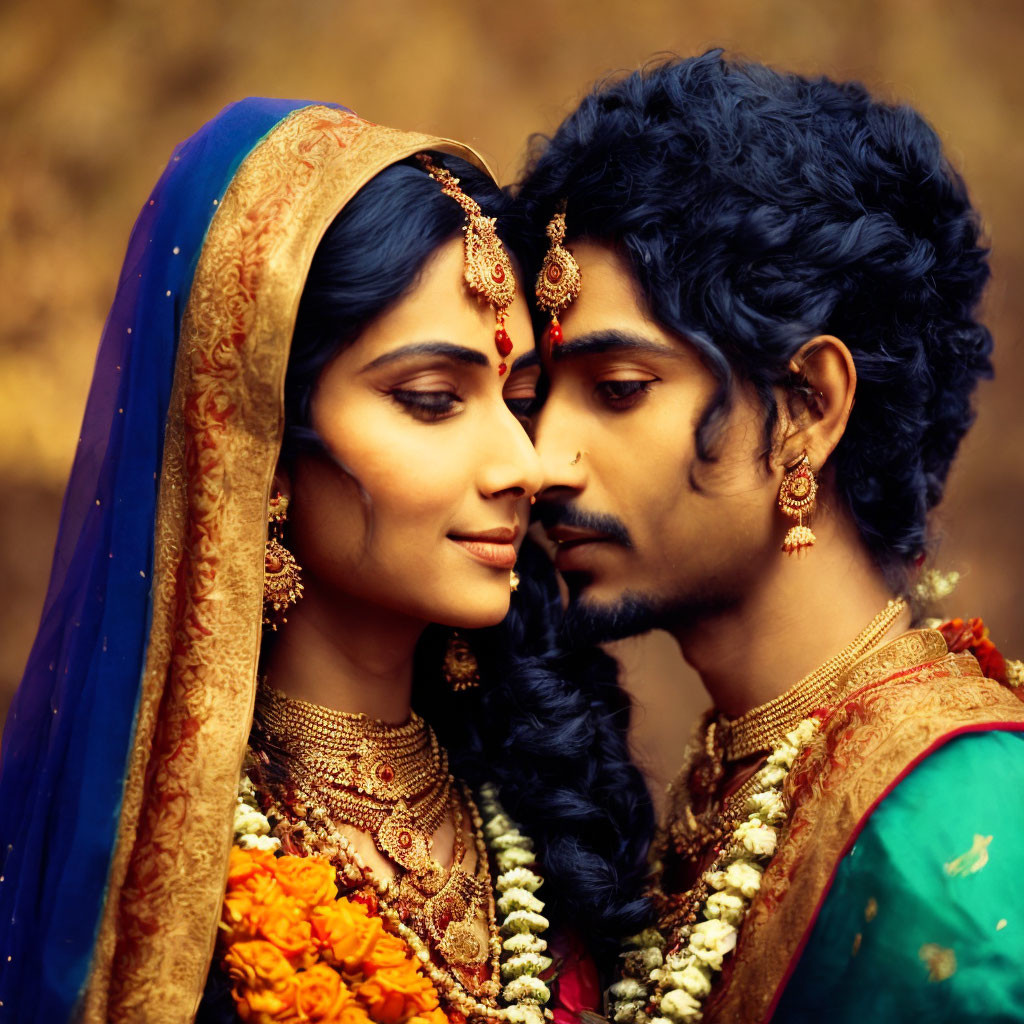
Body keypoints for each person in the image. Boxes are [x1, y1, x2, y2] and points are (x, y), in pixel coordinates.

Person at [0, 99, 652, 1024]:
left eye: (519, 399)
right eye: (432, 399)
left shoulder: (554, 807)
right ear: (258, 442)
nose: (522, 464)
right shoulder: (158, 877)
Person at [516, 51, 1024, 1022]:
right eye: (540, 402)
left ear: (807, 408)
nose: (545, 462)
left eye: (618, 388)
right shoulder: (735, 787)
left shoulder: (953, 832)